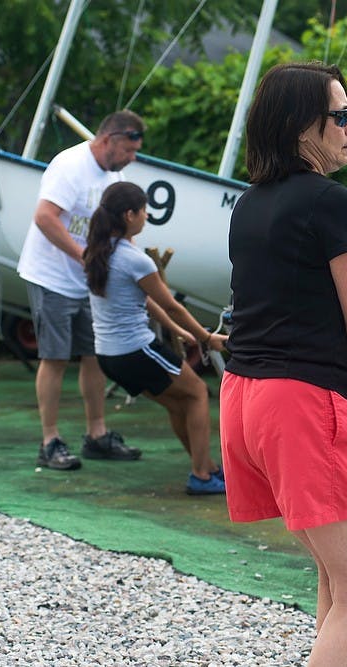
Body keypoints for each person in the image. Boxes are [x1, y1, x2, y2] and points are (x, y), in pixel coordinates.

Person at [219, 62, 347, 667]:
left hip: (243, 398)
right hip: (300, 403)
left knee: (338, 576)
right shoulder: (331, 202)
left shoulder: (248, 204)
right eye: (342, 116)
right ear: (303, 125)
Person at [18, 110, 146, 471]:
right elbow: (44, 217)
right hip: (52, 276)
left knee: (94, 355)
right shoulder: (69, 166)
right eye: (129, 150)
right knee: (55, 357)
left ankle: (96, 435)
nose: (131, 159)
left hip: (89, 279)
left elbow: (115, 227)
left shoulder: (114, 175)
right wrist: (83, 256)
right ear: (109, 140)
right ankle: (50, 440)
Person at [83, 181, 228, 495]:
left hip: (108, 356)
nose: (146, 217)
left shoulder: (98, 251)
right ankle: (202, 475)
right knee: (199, 393)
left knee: (179, 405)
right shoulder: (135, 259)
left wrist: (176, 331)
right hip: (136, 350)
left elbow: (144, 301)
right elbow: (171, 305)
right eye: (144, 211)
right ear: (130, 214)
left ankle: (207, 470)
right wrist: (206, 338)